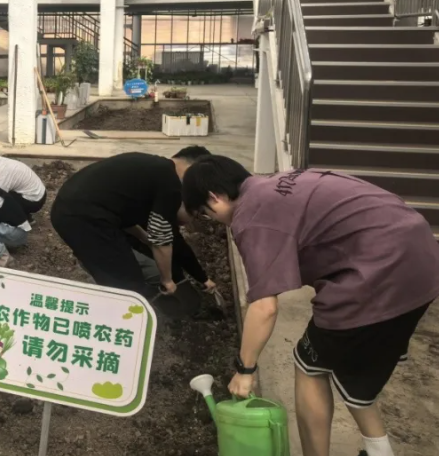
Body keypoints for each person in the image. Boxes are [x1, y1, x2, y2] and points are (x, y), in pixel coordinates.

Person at [181, 156, 439, 456]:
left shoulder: (252, 216)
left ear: (215, 196)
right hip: (423, 263)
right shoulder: (283, 181)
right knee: (355, 375)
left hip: (378, 275)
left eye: (206, 212)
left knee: (310, 365)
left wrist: (245, 369)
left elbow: (264, 307)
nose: (214, 220)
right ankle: (379, 451)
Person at [50, 147, 218, 298]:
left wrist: (202, 278)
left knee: (123, 271)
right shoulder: (170, 183)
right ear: (192, 170)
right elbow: (162, 240)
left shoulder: (152, 169)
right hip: (84, 218)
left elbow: (123, 209)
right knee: (128, 285)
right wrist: (167, 280)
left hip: (69, 211)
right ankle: (117, 316)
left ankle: (97, 266)